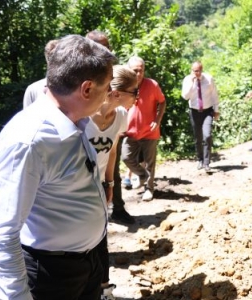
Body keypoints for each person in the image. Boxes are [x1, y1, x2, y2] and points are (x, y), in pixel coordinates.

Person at [0, 34, 117, 300]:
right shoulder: (30, 141)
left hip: (86, 265)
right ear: (87, 89)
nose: (108, 96)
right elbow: (2, 233)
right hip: (49, 277)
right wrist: (18, 295)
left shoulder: (77, 123)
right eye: (106, 88)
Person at [86, 65, 138, 299]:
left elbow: (113, 151)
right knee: (81, 241)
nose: (137, 98)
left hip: (97, 186)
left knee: (100, 238)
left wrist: (109, 184)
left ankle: (104, 290)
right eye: (134, 92)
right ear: (117, 93)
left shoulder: (121, 116)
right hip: (73, 189)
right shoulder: (84, 116)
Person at [23, 31, 110, 109]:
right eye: (98, 47)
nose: (104, 51)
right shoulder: (34, 89)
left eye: (106, 47)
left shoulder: (113, 76)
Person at [122, 56, 166, 201]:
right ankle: (141, 175)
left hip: (149, 131)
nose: (139, 74)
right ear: (129, 70)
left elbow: (162, 102)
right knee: (126, 157)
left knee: (149, 162)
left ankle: (149, 189)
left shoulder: (152, 85)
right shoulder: (125, 85)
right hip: (130, 131)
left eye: (141, 70)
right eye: (135, 71)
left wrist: (157, 120)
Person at [181, 61, 220, 172]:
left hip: (207, 111)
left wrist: (216, 110)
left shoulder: (209, 79)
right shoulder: (187, 80)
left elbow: (214, 95)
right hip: (194, 111)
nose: (196, 73)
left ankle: (207, 163)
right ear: (191, 70)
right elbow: (185, 96)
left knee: (207, 136)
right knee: (198, 137)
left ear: (201, 70)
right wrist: (192, 83)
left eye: (198, 71)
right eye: (194, 71)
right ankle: (200, 159)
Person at [22, 39, 58, 108]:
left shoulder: (74, 89)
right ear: (47, 61)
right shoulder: (33, 90)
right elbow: (28, 117)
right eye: (50, 58)